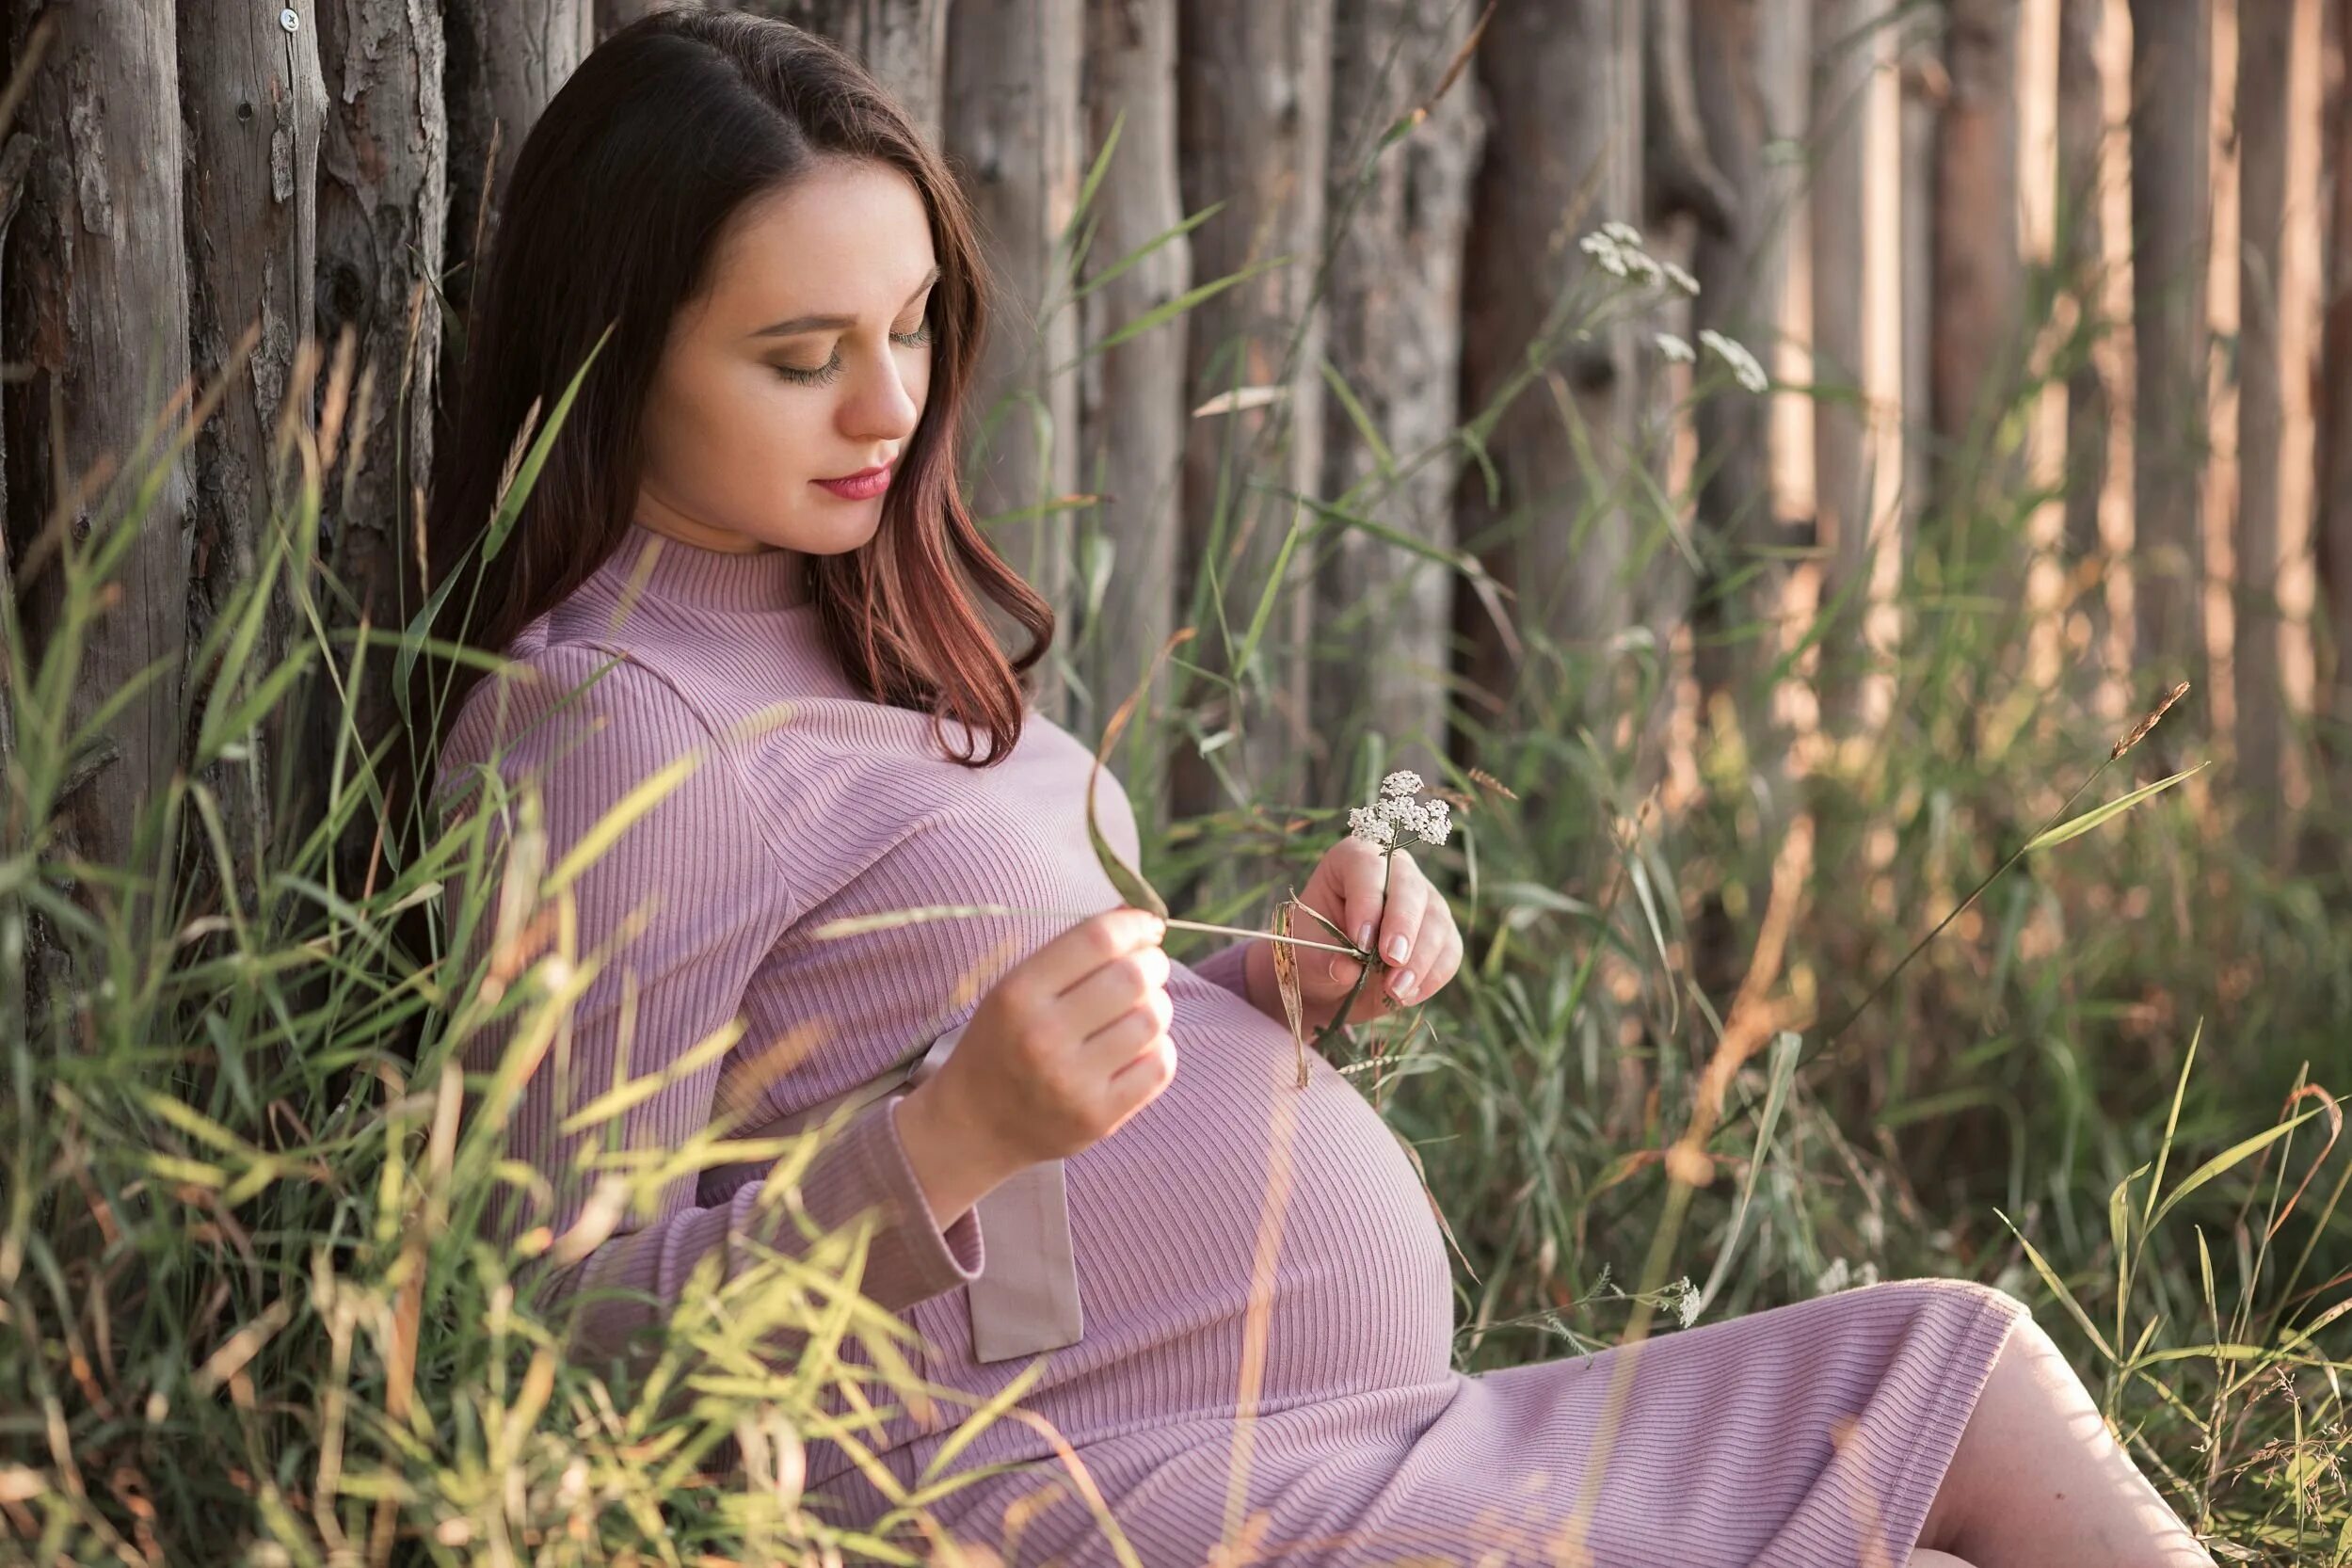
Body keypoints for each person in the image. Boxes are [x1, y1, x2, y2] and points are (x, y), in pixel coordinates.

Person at [406, 12, 2217, 1566]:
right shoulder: (614, 724)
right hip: (1092, 1502)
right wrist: (947, 1143)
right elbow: (537, 1348)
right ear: (614, 355)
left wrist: (1253, 995)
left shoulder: (862, 627)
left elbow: (948, 1055)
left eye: (910, 326)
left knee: (1956, 1367)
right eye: (802, 360)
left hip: (1330, 1440)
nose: (888, 406)